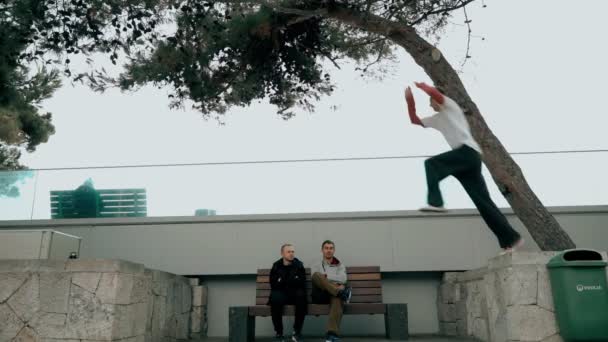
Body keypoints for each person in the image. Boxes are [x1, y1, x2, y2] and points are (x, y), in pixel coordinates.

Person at [404, 82, 524, 253]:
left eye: (431, 101)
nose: (430, 104)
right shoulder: (437, 119)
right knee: (483, 203)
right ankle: (510, 240)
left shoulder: (451, 106)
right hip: (467, 162)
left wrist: (423, 87)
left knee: (431, 164)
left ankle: (435, 202)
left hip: (467, 153)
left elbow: (435, 93)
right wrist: (410, 102)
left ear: (438, 99)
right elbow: (414, 121)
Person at [311, 240, 351, 342]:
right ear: (322, 250)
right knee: (317, 275)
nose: (329, 250)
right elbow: (316, 279)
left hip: (333, 295)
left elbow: (343, 279)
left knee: (337, 299)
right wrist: (335, 284)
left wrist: (326, 277)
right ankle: (341, 293)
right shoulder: (316, 264)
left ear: (334, 250)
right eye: (326, 248)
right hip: (320, 295)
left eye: (331, 248)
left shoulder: (340, 265)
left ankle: (332, 334)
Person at [268, 244, 307, 342]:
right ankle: (279, 332)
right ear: (282, 253)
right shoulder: (276, 266)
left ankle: (297, 331)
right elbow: (273, 284)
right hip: (281, 294)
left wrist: (282, 280)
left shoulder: (299, 265)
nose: (291, 254)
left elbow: (301, 282)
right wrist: (292, 280)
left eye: (293, 251)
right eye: (288, 252)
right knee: (275, 298)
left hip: (295, 294)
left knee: (301, 296)